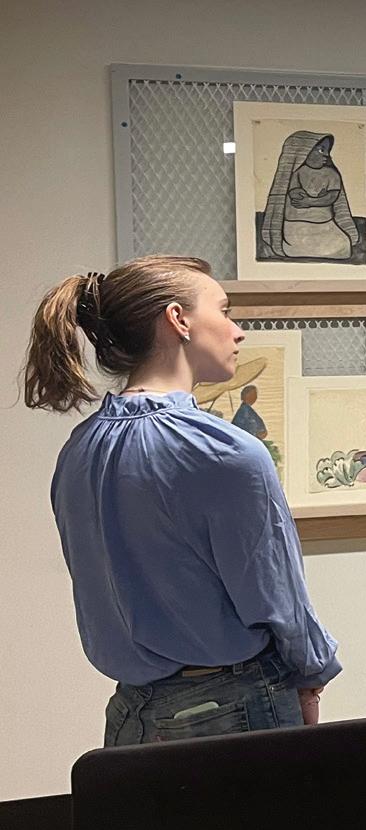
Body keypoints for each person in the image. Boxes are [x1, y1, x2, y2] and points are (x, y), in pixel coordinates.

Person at [24, 255, 341, 742]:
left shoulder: (80, 450)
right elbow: (276, 595)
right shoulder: (226, 452)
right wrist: (312, 675)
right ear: (178, 319)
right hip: (234, 709)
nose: (237, 332)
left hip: (131, 716)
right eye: (224, 311)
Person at [260, 132, 361, 262]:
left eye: (327, 151)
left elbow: (332, 196)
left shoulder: (332, 174)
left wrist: (311, 201)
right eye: (321, 150)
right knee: (295, 245)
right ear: (303, 152)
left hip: (325, 226)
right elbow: (293, 192)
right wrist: (301, 196)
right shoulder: (297, 173)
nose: (326, 154)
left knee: (342, 245)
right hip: (296, 227)